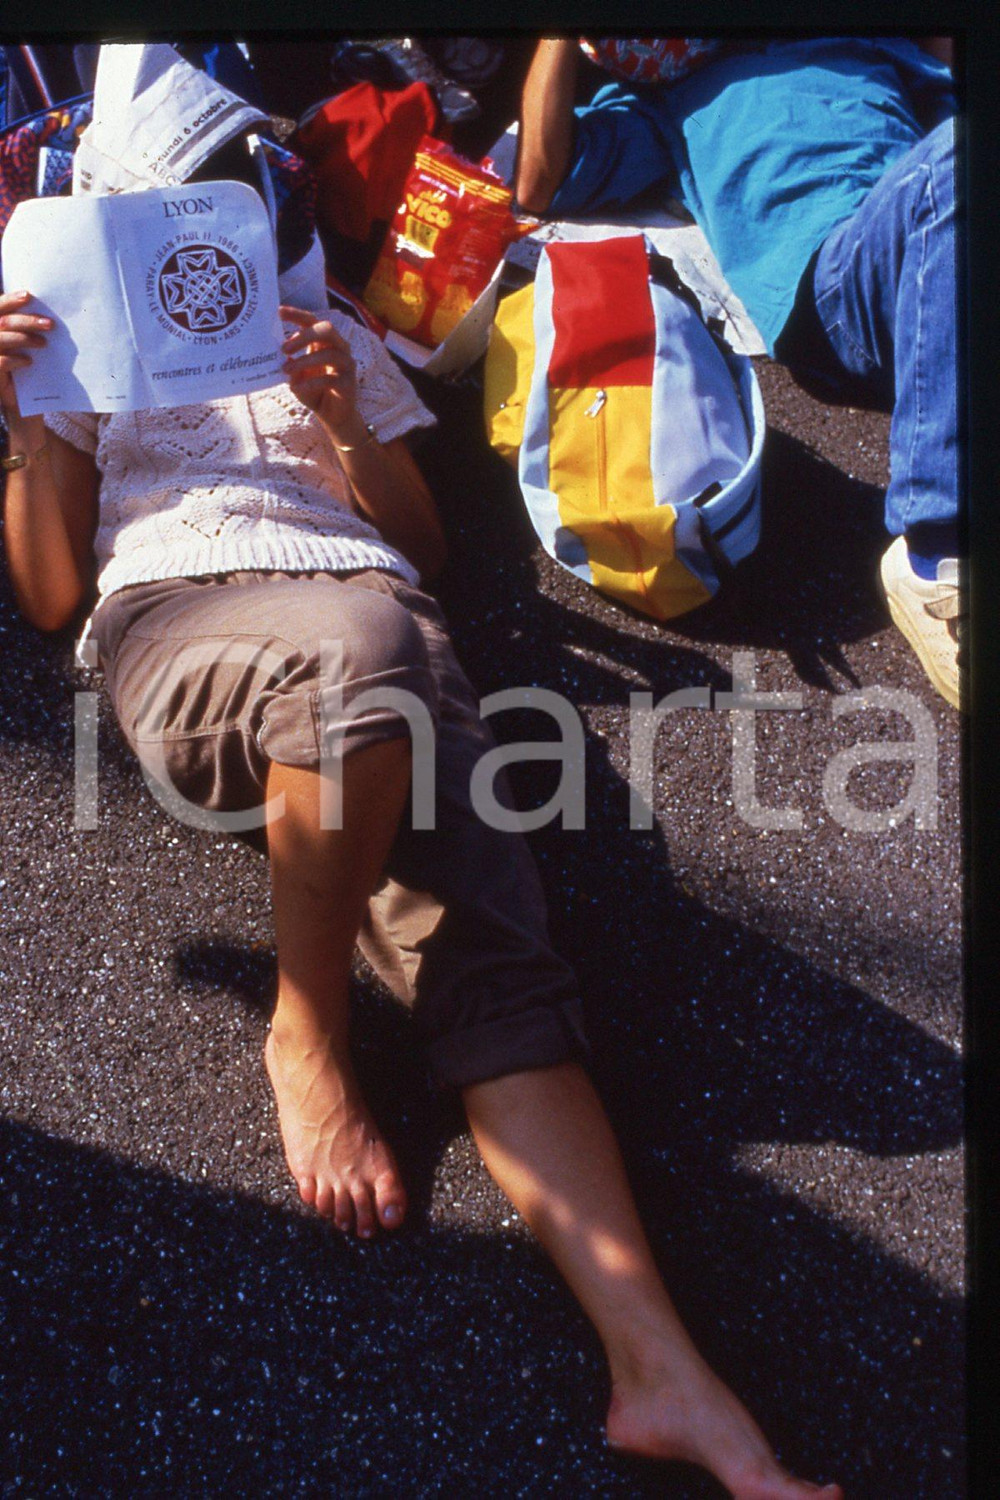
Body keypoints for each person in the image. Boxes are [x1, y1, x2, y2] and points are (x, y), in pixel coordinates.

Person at [1, 269, 842, 1494]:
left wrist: (342, 413)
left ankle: (663, 1374)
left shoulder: (321, 323)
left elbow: (424, 546)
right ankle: (308, 1023)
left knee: (493, 963)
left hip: (379, 617)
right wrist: (27, 416)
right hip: (184, 621)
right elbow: (48, 592)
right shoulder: (78, 334)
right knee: (367, 657)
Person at [516, 35, 963, 709]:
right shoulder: (672, 92)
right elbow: (539, 180)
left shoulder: (873, 46)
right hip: (836, 291)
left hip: (935, 302)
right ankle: (937, 555)